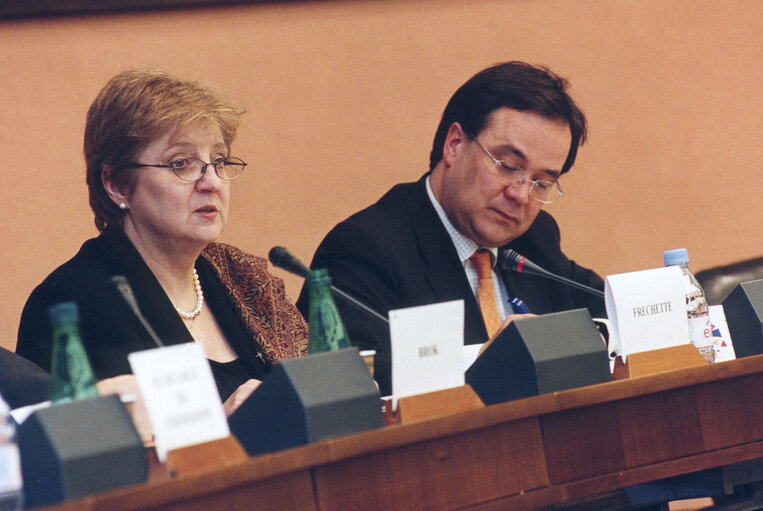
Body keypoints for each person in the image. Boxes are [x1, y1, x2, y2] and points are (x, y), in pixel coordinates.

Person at [296, 61, 605, 396]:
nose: (520, 194)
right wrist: (485, 360)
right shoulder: (365, 247)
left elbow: (607, 309)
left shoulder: (535, 237)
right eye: (508, 166)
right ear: (455, 144)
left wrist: (597, 336)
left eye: (542, 183)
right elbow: (346, 377)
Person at [17, 68, 307, 420]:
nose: (212, 181)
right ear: (117, 185)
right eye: (181, 164)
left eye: (218, 161)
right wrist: (219, 431)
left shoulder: (244, 278)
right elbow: (71, 450)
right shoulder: (69, 303)